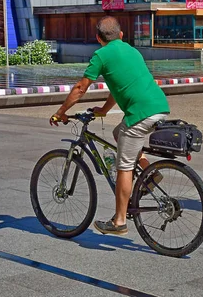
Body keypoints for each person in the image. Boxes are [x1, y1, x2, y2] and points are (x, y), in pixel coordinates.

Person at [50, 16, 170, 235]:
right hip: (160, 107)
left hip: (140, 114)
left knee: (123, 166)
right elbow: (120, 86)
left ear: (98, 38)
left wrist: (60, 112)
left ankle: (119, 222)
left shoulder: (101, 55)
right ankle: (147, 170)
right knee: (119, 132)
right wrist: (104, 111)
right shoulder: (133, 51)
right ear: (121, 35)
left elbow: (80, 88)